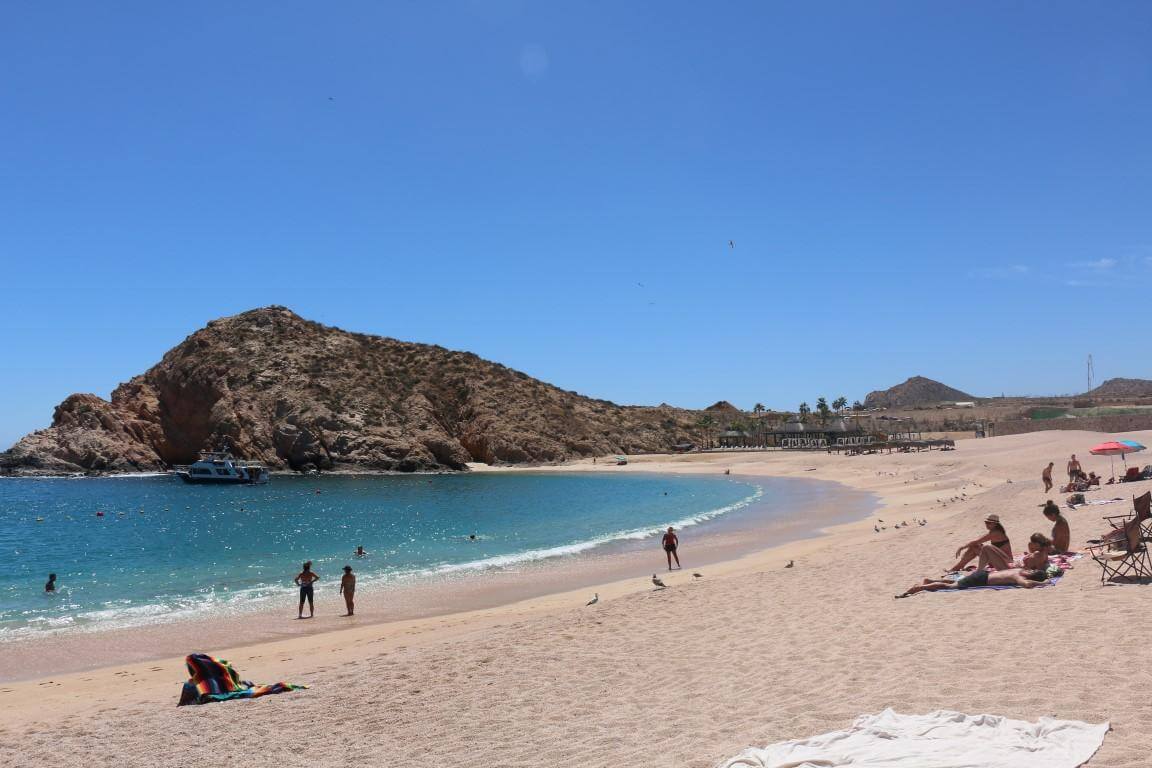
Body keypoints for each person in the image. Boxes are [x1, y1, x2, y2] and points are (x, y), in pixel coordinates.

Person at [897, 567, 1048, 597]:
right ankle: (920, 587)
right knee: (951, 586)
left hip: (984, 573)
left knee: (960, 580)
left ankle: (929, 581)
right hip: (982, 579)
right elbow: (1027, 585)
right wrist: (1043, 583)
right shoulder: (1018, 577)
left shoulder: (1019, 569)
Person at [947, 514, 1012, 572]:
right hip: (999, 559)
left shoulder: (996, 533)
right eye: (986, 522)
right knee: (976, 546)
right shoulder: (995, 531)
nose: (987, 524)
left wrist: (962, 547)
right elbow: (978, 541)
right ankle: (959, 566)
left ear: (995, 524)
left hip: (1004, 561)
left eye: (989, 523)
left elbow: (977, 541)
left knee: (974, 546)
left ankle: (957, 567)